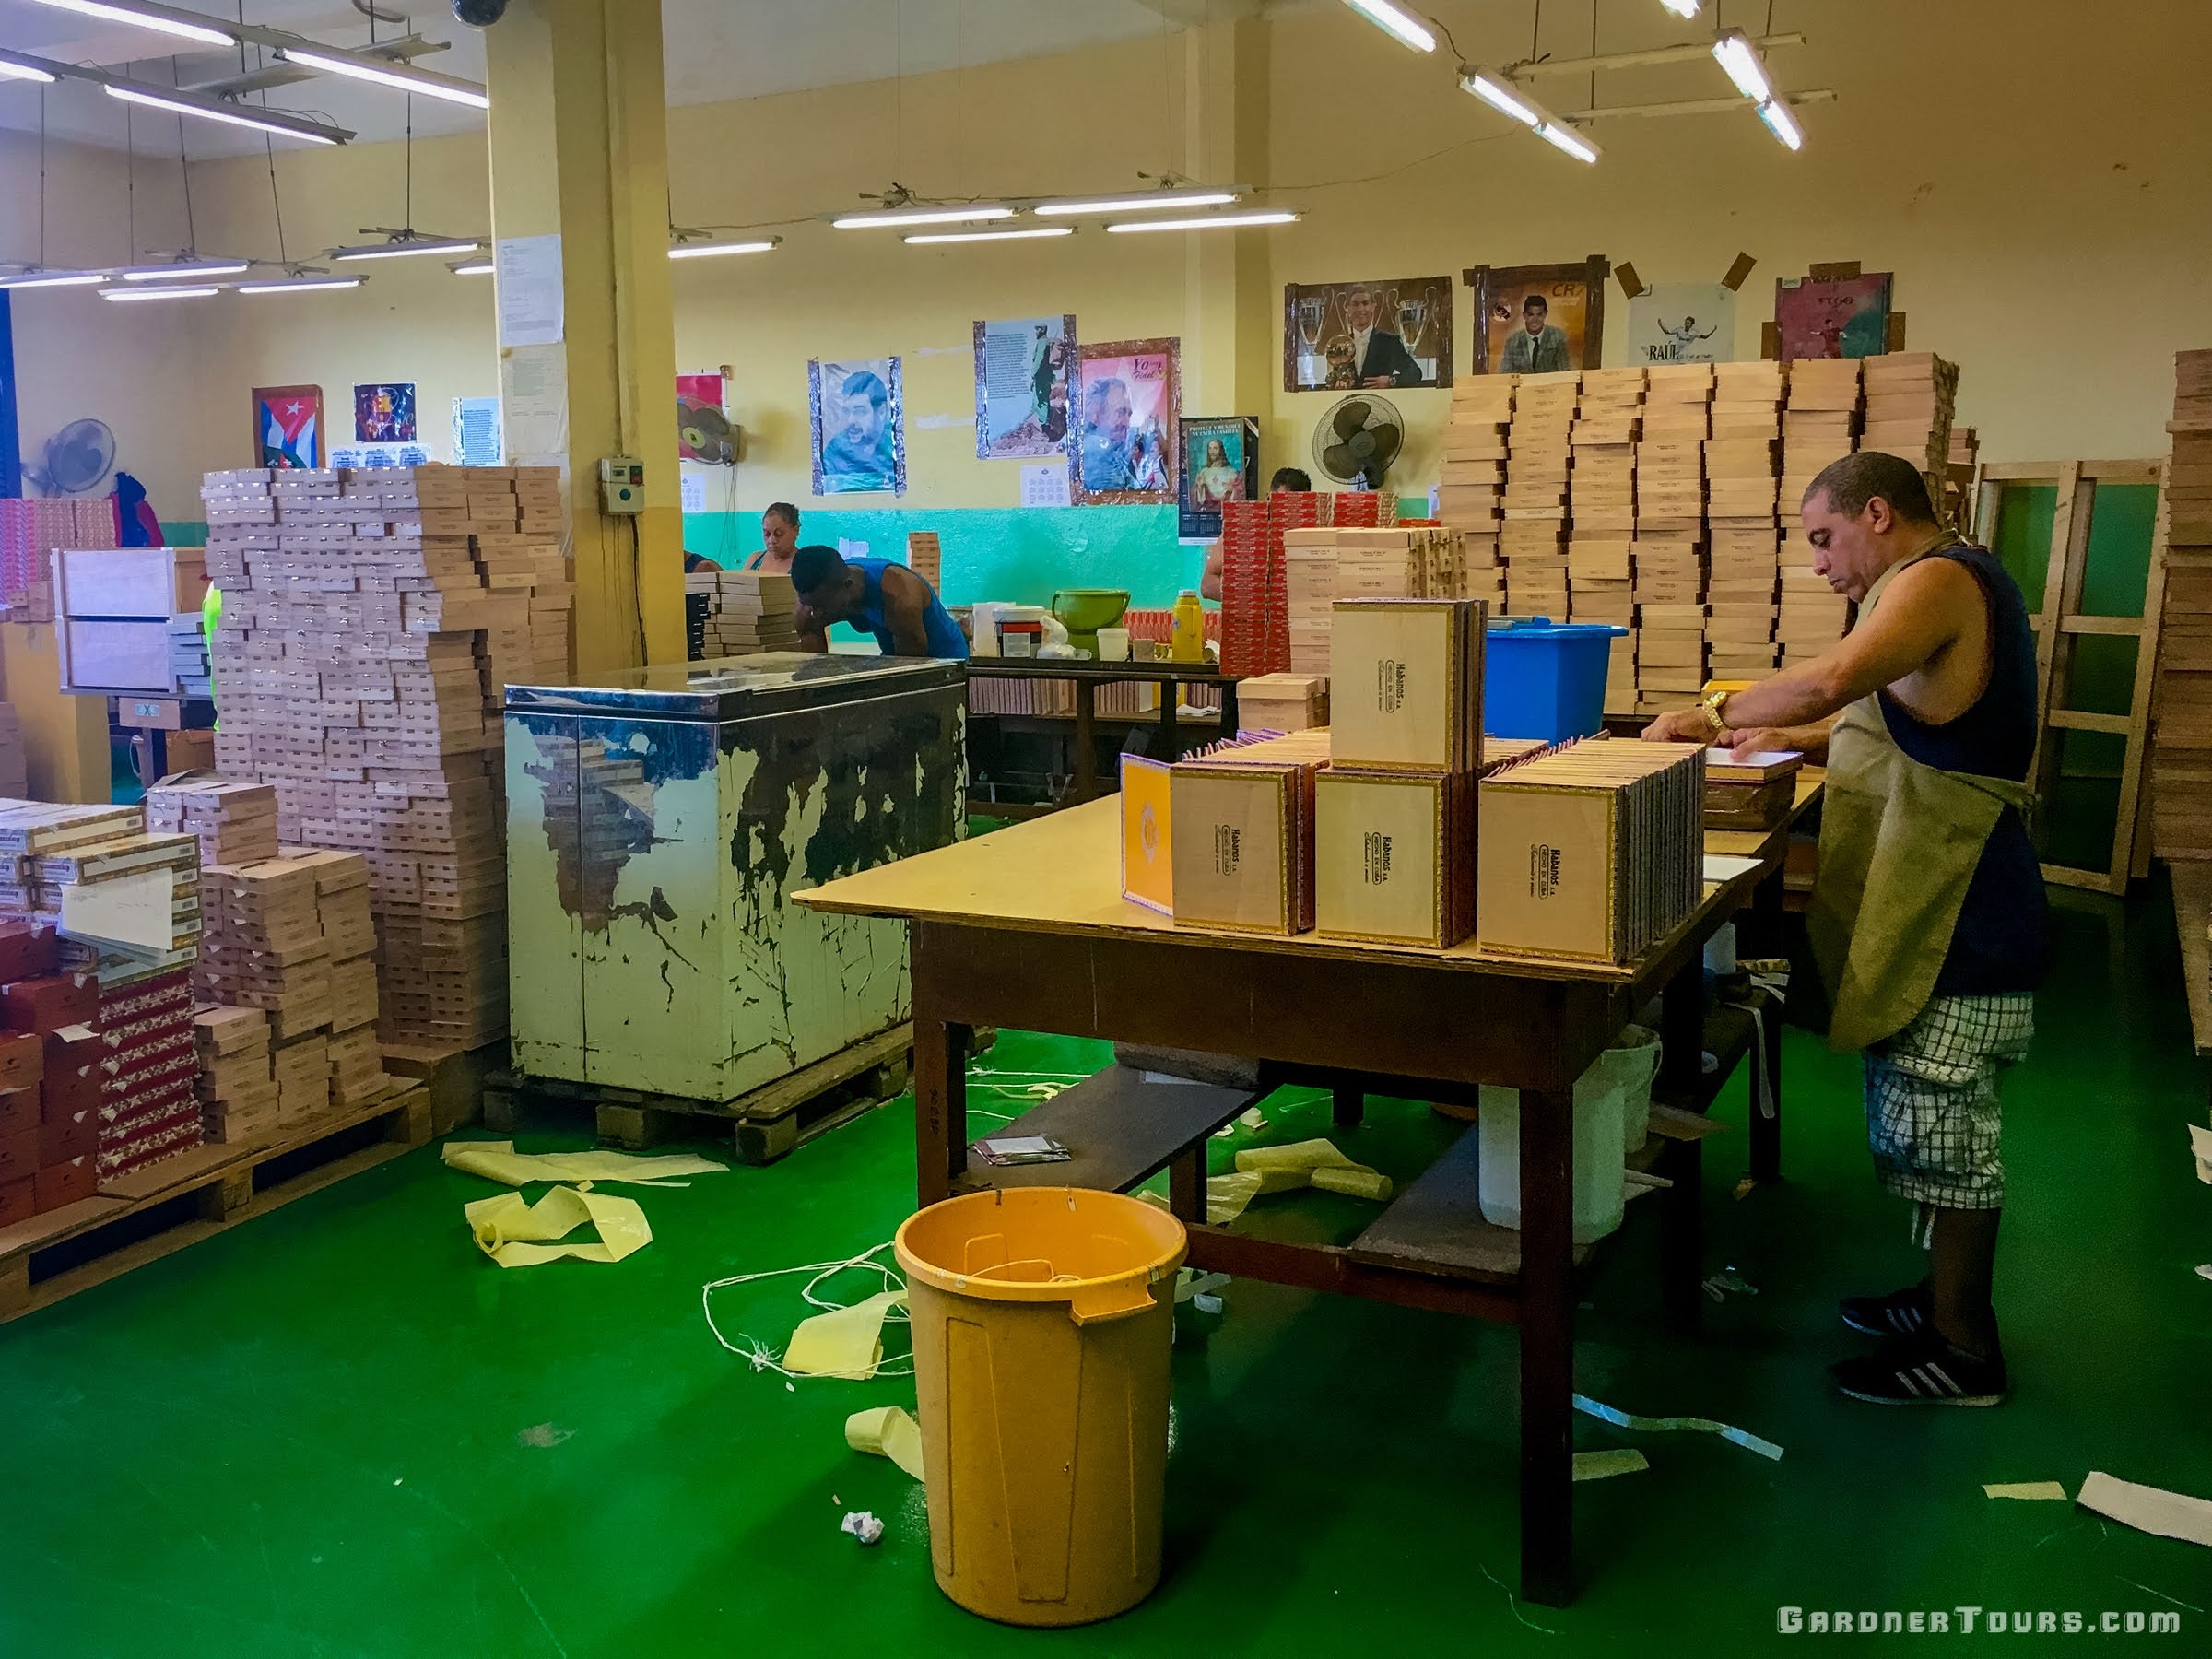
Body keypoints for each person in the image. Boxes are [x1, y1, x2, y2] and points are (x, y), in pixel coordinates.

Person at [1642, 451, 2047, 1407]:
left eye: (1824, 539)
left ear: (1878, 514)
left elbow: (1832, 680)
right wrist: (1794, 741)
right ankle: (1936, 1300)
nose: (1820, 564)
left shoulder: (1941, 578)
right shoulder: (1931, 585)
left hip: (1962, 909)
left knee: (1947, 1129)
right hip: (1938, 900)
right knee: (1918, 1118)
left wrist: (1712, 711)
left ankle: (1965, 1349)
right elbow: (1899, 714)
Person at [789, 544, 968, 660]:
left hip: (943, 656)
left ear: (848, 586)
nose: (816, 613)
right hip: (894, 652)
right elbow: (814, 671)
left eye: (822, 606)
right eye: (810, 605)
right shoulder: (811, 606)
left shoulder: (899, 598)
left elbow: (910, 670)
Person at [1200, 468, 1318, 601]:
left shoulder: (1317, 536)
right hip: (1252, 617)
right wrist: (1252, 598)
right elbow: (1207, 586)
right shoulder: (1242, 530)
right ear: (1269, 498)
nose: (1288, 511)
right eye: (1283, 503)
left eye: (1296, 506)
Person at [1343, 286, 1425, 388]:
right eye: (1355, 304)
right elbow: (1335, 378)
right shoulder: (1341, 344)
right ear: (1348, 308)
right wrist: (1337, 384)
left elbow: (1415, 373)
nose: (1360, 309)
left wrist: (1391, 381)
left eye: (1365, 303)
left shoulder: (1389, 342)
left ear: (1373, 306)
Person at [822, 371, 895, 482]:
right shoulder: (835, 450)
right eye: (846, 411)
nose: (850, 420)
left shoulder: (896, 446)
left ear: (881, 412)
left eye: (860, 412)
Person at [1078, 376, 1134, 491]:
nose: (1127, 423)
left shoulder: (1113, 454)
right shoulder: (1094, 454)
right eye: (1120, 412)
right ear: (1095, 414)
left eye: (1129, 414)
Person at [1498, 293, 1571, 374]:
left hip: (1550, 386)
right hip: (1522, 386)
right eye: (1530, 315)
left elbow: (1566, 373)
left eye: (1539, 315)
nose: (1535, 320)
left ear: (1545, 314)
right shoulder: (1512, 341)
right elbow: (1504, 375)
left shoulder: (1558, 337)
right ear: (1524, 315)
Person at [745, 503, 802, 574]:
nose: (771, 540)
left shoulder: (804, 565)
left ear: (796, 530)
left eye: (779, 534)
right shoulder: (754, 560)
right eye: (767, 534)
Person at [1193, 437, 1244, 510]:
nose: (1212, 451)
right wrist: (1200, 487)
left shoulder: (1231, 471)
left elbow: (1240, 495)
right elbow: (1200, 501)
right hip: (1209, 511)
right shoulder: (1204, 472)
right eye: (1210, 448)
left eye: (1215, 448)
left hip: (1226, 511)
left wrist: (1233, 490)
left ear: (1221, 450)